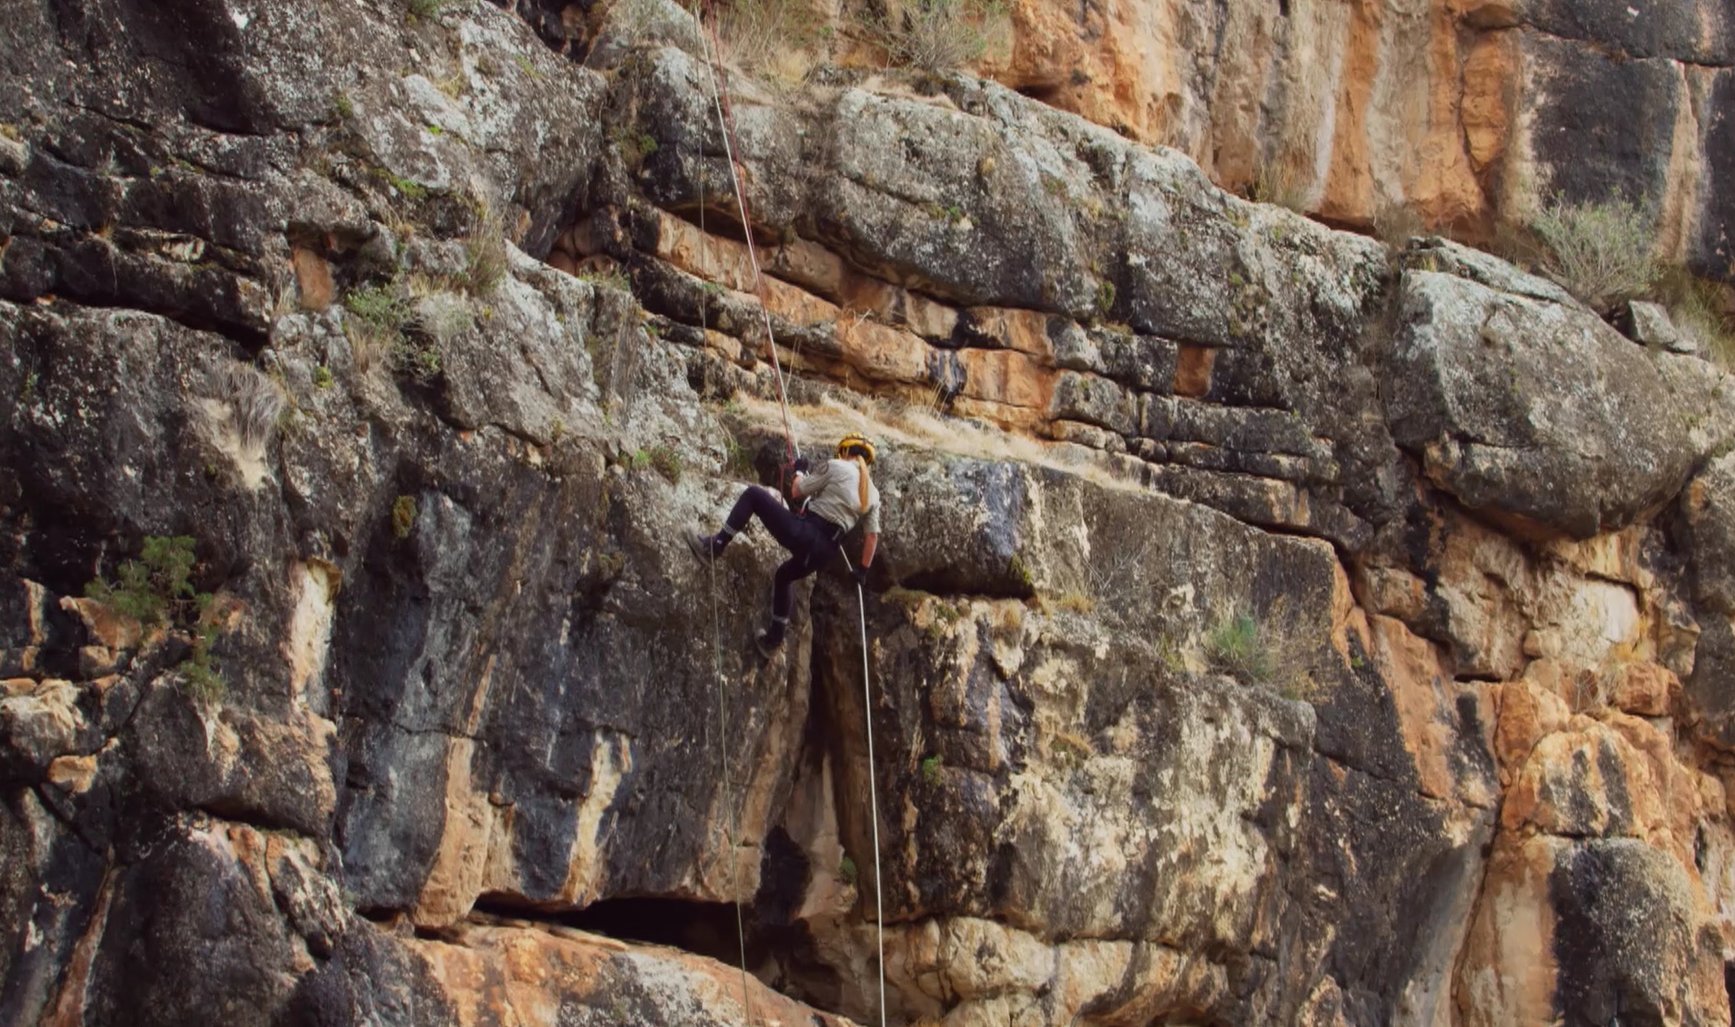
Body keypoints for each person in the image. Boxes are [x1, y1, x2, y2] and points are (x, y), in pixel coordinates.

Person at [688, 433, 882, 655]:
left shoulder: (836, 466)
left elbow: (797, 490)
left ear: (845, 452)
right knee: (784, 576)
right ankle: (774, 638)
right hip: (824, 553)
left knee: (753, 495)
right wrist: (862, 570)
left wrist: (799, 471)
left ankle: (716, 545)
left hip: (806, 533)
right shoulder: (873, 494)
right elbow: (872, 536)